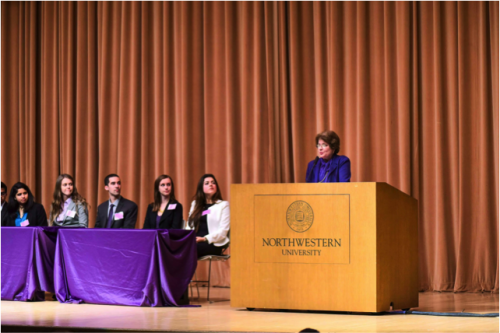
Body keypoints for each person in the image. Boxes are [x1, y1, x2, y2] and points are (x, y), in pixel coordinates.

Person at [187, 174, 230, 258]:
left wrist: (204, 239)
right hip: (194, 241)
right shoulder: (195, 204)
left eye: (213, 182)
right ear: (201, 188)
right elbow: (189, 226)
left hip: (212, 243)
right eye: (207, 183)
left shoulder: (223, 205)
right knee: (174, 248)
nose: (211, 184)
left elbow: (223, 231)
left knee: (186, 251)